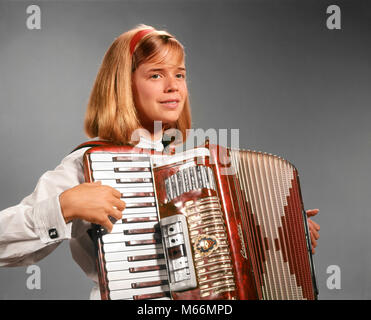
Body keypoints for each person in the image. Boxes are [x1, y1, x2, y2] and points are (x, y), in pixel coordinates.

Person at [0, 24, 320, 299]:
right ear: (124, 86)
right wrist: (63, 207)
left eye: (179, 75)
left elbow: (220, 251)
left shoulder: (189, 163)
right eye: (156, 74)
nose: (173, 86)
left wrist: (286, 234)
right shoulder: (87, 163)